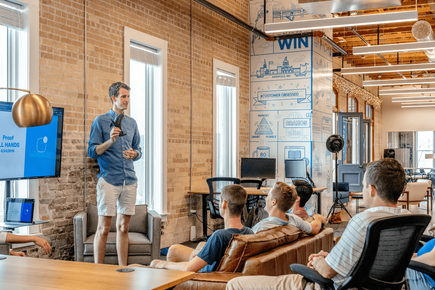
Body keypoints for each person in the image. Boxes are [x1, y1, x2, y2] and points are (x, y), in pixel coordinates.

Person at [227, 158, 434, 290]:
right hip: (364, 283)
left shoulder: (364, 221)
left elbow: (326, 272)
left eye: (363, 186)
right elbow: (375, 258)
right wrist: (334, 257)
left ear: (371, 190)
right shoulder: (411, 219)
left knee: (236, 284)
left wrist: (318, 260)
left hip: (327, 286)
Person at [88, 82, 142, 266]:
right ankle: (98, 271)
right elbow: (92, 152)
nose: (127, 100)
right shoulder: (100, 121)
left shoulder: (132, 123)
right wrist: (110, 141)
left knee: (123, 227)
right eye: (123, 97)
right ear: (114, 98)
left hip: (129, 180)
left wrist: (135, 154)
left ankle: (123, 270)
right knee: (103, 229)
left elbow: (138, 150)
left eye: (128, 97)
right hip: (109, 180)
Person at [148, 184, 253, 272]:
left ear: (224, 204)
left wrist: (160, 264)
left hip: (207, 274)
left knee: (170, 253)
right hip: (223, 267)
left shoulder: (219, 236)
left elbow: (189, 268)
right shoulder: (249, 232)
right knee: (186, 248)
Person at [251, 181, 325, 235]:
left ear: (274, 202)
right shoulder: (295, 220)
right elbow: (314, 228)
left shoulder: (260, 228)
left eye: (268, 196)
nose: (265, 198)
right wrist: (319, 217)